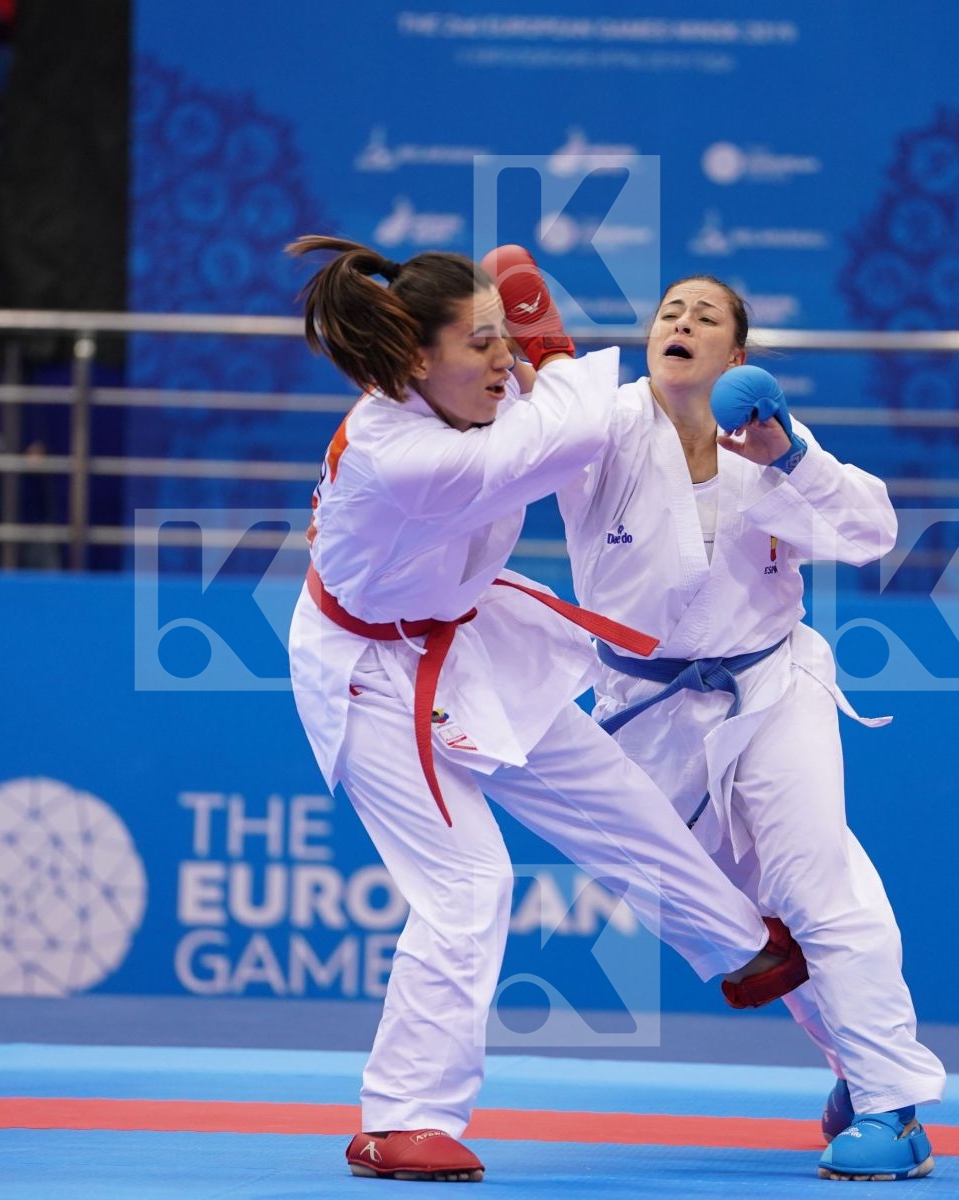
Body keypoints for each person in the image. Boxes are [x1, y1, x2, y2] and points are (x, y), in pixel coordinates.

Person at [286, 236, 810, 1184]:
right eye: (482, 343)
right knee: (468, 882)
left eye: (505, 341)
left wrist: (529, 343)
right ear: (416, 360)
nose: (503, 363)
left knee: (602, 789)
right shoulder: (402, 454)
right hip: (367, 668)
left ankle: (737, 943)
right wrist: (548, 334)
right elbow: (566, 428)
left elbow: (553, 414)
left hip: (460, 630)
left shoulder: (467, 398)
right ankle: (398, 1117)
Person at [550, 273, 945, 1182]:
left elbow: (872, 532)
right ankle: (859, 1064)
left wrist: (792, 453)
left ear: (738, 358)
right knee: (760, 934)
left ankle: (893, 1107)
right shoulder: (599, 427)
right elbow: (506, 451)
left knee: (817, 879)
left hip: (772, 690)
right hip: (646, 719)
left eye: (705, 318)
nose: (679, 324)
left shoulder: (767, 444)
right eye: (667, 314)